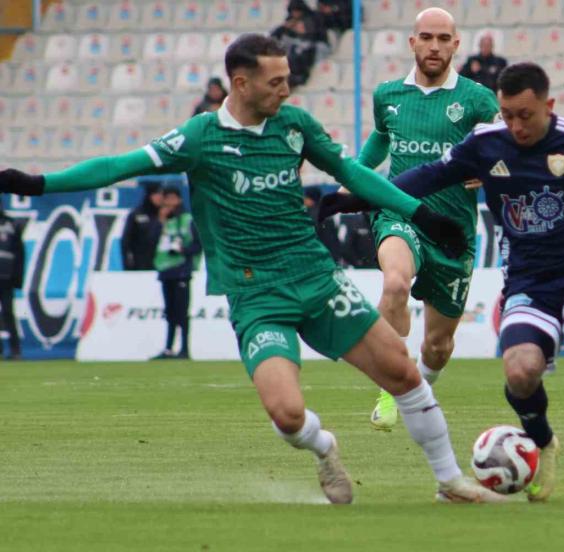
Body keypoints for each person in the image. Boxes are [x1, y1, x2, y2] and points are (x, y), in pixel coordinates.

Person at [0, 34, 503, 505]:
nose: (286, 89)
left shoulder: (295, 125)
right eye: (276, 81)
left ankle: (449, 480)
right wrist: (39, 184)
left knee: (403, 372)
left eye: (287, 79)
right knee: (287, 415)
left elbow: (351, 172)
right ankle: (324, 446)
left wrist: (421, 215)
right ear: (241, 83)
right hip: (256, 293)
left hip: (316, 277)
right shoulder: (200, 137)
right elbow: (116, 166)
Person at [320, 62, 564, 506]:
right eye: (507, 115)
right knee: (520, 372)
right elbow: (424, 176)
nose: (516, 125)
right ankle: (544, 443)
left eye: (525, 115)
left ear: (548, 105)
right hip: (526, 281)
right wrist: (356, 199)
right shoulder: (485, 144)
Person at [354, 7, 500, 430]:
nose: (434, 46)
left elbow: (506, 148)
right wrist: (355, 177)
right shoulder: (387, 95)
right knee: (395, 283)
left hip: (453, 230)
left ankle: (418, 387)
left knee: (438, 345)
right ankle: (392, 388)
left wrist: (489, 171)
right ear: (412, 42)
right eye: (426, 37)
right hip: (400, 212)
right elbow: (381, 138)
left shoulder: (477, 99)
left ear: (456, 45)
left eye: (443, 39)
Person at [152, 187, 201, 360]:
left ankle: (185, 349)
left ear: (179, 199)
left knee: (182, 312)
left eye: (173, 198)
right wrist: (160, 221)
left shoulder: (188, 220)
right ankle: (168, 348)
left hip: (181, 270)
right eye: (167, 198)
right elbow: (150, 242)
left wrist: (182, 250)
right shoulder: (163, 221)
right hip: (165, 270)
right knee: (170, 312)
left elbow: (198, 245)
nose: (169, 203)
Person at [270, 0, 327, 88]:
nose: (295, 14)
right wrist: (284, 27)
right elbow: (275, 35)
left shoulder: (313, 17)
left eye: (297, 11)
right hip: (296, 45)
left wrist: (303, 30)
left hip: (313, 45)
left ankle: (299, 76)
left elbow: (315, 35)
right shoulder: (291, 19)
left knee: (301, 52)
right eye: (293, 12)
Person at [121, 181, 163, 271]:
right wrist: (127, 264)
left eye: (161, 194)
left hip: (163, 262)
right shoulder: (137, 214)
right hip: (141, 262)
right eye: (156, 194)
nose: (159, 197)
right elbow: (126, 241)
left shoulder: (166, 213)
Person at [0, 203, 24, 360]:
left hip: (6, 278)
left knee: (8, 313)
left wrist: (17, 278)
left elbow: (20, 253)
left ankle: (15, 350)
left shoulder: (11, 224)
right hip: (7, 276)